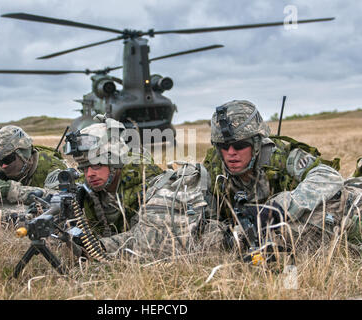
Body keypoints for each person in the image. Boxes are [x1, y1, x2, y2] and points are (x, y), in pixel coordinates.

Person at [202, 100, 362, 256]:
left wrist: (281, 207)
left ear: (256, 143)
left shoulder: (281, 157)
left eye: (239, 145)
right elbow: (207, 217)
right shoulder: (214, 168)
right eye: (223, 146)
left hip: (296, 219)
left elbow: (328, 176)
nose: (231, 153)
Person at [65, 116, 164, 238]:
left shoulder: (147, 184)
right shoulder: (85, 187)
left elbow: (147, 239)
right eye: (84, 168)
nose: (89, 174)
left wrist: (103, 246)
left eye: (97, 165)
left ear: (115, 161)